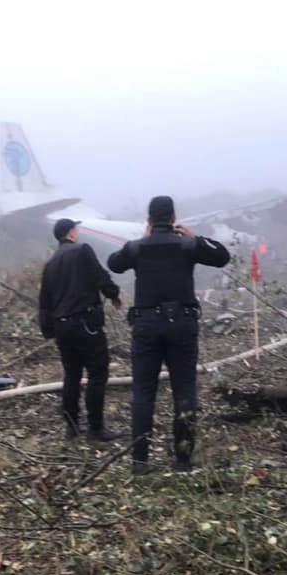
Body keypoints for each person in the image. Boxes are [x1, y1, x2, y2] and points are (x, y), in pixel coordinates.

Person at [107, 196, 230, 474]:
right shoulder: (187, 245)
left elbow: (114, 263)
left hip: (146, 325)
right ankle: (183, 459)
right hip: (182, 325)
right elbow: (222, 257)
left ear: (149, 220)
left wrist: (143, 239)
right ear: (174, 218)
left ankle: (140, 461)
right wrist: (196, 238)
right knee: (184, 391)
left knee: (143, 393)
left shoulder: (136, 247)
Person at [38, 218, 122, 440]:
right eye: (76, 229)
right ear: (71, 233)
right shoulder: (82, 250)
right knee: (97, 372)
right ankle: (96, 428)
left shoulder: (51, 263)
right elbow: (100, 276)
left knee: (72, 375)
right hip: (85, 321)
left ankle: (72, 427)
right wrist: (113, 293)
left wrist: (50, 333)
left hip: (62, 326)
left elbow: (45, 302)